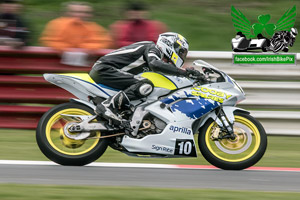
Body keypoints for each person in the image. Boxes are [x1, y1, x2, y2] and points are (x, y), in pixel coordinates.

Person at [89, 32, 201, 128]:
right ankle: (108, 106)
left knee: (146, 87)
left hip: (108, 71)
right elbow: (155, 64)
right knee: (145, 84)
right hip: (105, 69)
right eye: (181, 52)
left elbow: (163, 68)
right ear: (170, 45)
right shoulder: (153, 48)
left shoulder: (158, 56)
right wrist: (184, 72)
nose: (182, 55)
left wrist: (188, 75)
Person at [40, 1, 113, 52]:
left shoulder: (95, 27)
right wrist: (68, 50)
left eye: (85, 12)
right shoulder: (56, 24)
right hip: (57, 61)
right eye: (76, 12)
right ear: (67, 13)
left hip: (87, 62)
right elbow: (49, 40)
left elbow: (104, 42)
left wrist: (83, 49)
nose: (81, 15)